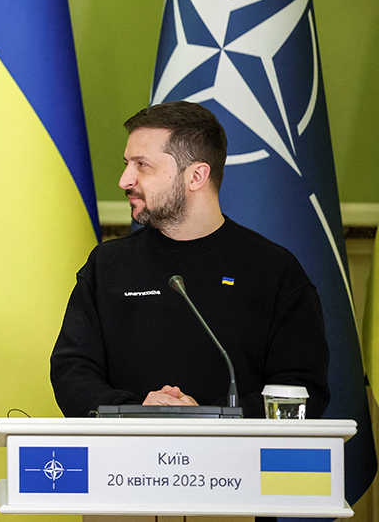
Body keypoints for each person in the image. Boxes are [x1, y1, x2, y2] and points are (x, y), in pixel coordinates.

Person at [50, 101, 329, 419]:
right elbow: (72, 370)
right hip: (122, 460)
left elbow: (302, 389)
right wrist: (136, 412)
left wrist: (213, 418)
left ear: (196, 176)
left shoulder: (273, 270)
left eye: (142, 165)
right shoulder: (108, 265)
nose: (125, 180)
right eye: (127, 164)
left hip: (239, 463)